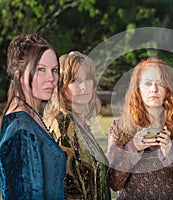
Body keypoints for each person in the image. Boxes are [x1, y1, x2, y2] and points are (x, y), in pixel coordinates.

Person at [107, 58, 173, 199]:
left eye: (160, 83)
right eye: (147, 83)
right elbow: (114, 183)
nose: (154, 89)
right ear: (137, 88)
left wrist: (171, 155)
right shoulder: (120, 128)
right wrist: (132, 147)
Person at [0, 34, 66, 199]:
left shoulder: (31, 116)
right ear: (18, 75)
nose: (51, 78)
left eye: (54, 70)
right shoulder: (21, 130)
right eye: (41, 69)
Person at [43, 51, 111, 199]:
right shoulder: (64, 125)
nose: (83, 86)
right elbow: (67, 187)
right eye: (74, 80)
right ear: (61, 86)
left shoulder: (83, 126)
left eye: (87, 78)